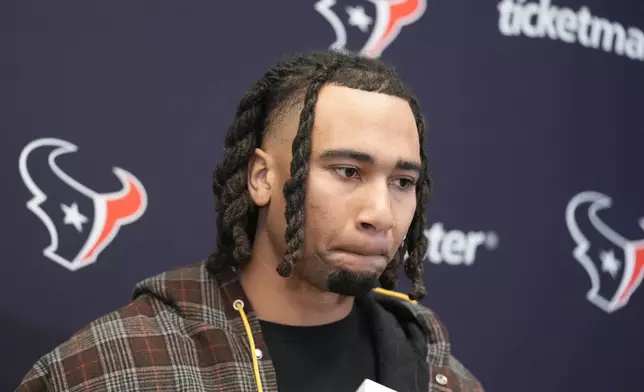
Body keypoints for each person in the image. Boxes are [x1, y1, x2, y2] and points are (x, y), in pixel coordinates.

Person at [16, 50, 484, 392]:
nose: (380, 214)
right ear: (262, 177)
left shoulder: (441, 379)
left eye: (402, 182)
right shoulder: (118, 366)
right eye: (347, 172)